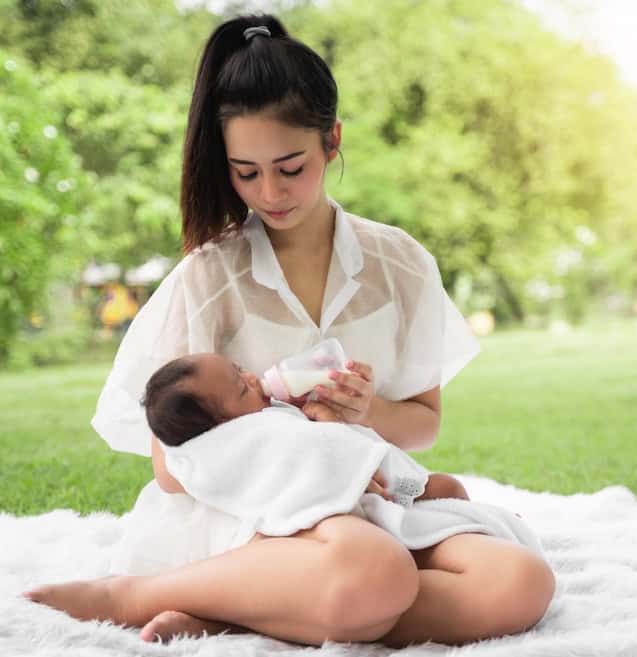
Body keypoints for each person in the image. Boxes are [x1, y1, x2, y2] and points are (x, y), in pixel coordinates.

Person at [24, 14, 554, 648]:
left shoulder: (400, 265)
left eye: (290, 166)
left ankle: (247, 611)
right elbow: (172, 466)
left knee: (519, 581)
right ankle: (135, 595)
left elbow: (424, 422)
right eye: (245, 172)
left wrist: (365, 413)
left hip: (364, 503)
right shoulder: (208, 277)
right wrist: (277, 431)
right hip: (250, 520)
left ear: (332, 141)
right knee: (375, 571)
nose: (269, 192)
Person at [143, 351, 469, 502]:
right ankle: (478, 533)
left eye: (239, 369)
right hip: (368, 494)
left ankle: (484, 530)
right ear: (225, 430)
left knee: (447, 490)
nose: (252, 377)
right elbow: (320, 459)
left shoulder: (271, 412)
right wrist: (326, 424)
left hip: (385, 483)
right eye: (242, 388)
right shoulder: (261, 437)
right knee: (447, 492)